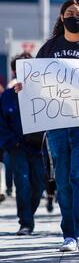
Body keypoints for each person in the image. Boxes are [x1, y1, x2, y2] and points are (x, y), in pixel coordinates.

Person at [15, 0, 79, 252]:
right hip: (57, 124)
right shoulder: (49, 48)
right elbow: (34, 83)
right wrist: (23, 88)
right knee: (62, 179)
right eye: (70, 13)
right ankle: (69, 235)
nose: (76, 17)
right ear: (62, 18)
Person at [0, 53, 45, 235]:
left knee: (39, 185)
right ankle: (25, 223)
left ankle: (28, 214)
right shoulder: (8, 96)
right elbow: (1, 122)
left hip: (37, 148)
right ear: (14, 71)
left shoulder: (43, 93)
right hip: (16, 148)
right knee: (23, 183)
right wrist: (12, 142)